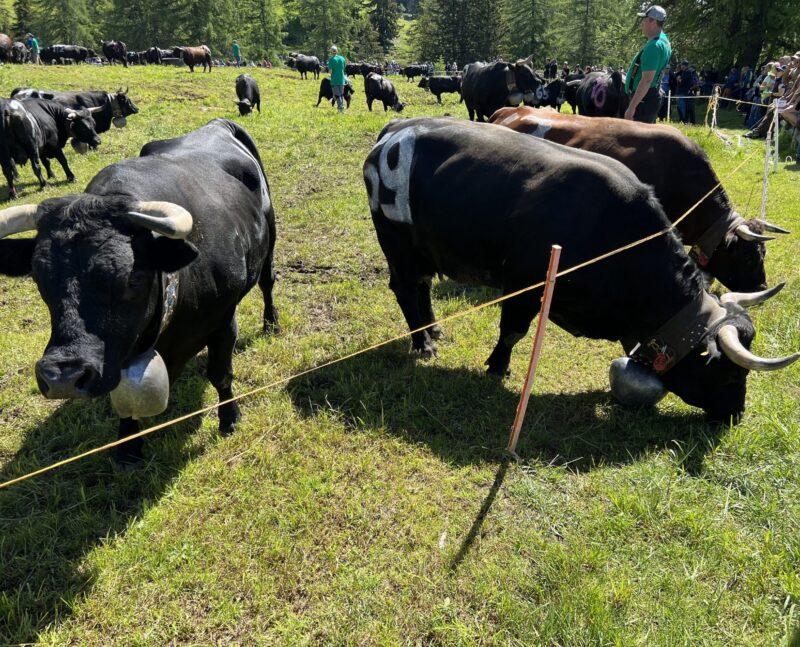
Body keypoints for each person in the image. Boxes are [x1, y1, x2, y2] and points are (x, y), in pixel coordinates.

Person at [624, 5, 672, 123]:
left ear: (653, 22)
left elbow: (646, 80)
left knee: (636, 140)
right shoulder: (664, 41)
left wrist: (631, 107)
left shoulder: (654, 46)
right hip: (648, 97)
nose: (642, 24)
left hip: (643, 101)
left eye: (644, 21)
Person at [327, 45, 347, 113]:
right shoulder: (342, 58)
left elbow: (330, 72)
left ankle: (341, 109)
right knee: (341, 95)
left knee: (337, 95)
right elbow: (344, 67)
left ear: (331, 52)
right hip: (342, 79)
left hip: (335, 80)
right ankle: (340, 109)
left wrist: (329, 70)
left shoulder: (331, 60)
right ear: (337, 51)